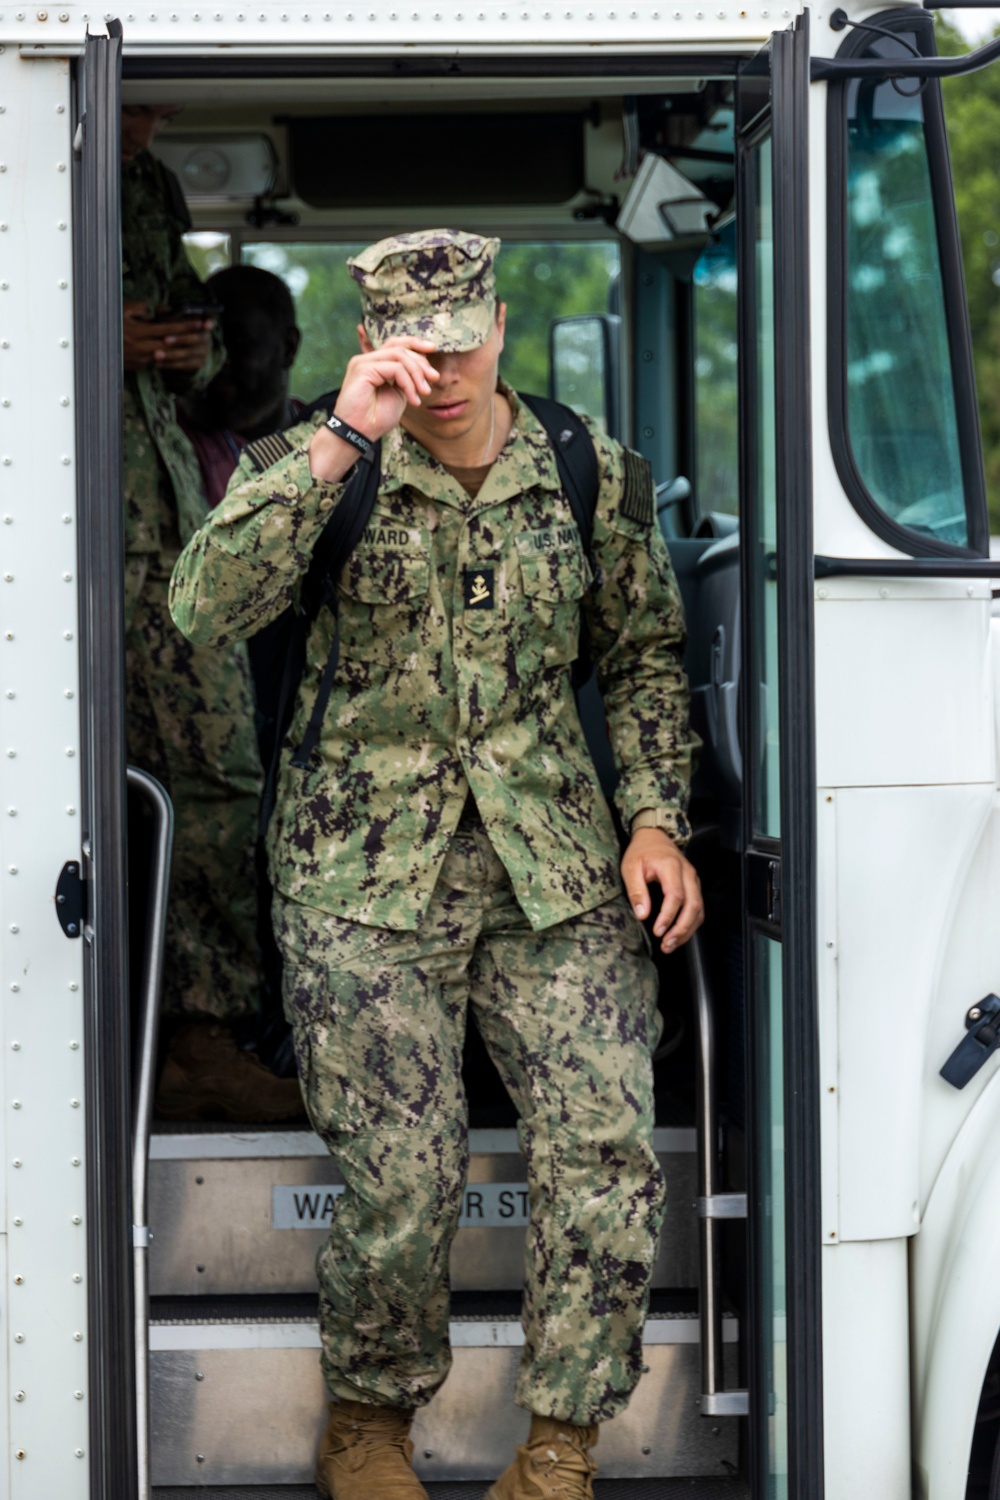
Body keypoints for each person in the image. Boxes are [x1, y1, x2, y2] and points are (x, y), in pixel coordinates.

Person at [169, 229, 702, 1500]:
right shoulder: (317, 460)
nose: (445, 375)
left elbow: (639, 656)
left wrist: (656, 818)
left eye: (465, 344)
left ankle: (561, 1446)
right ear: (371, 347)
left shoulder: (587, 470)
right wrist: (343, 440)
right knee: (405, 1165)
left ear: (503, 326)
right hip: (361, 871)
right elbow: (200, 608)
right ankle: (365, 1422)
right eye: (419, 352)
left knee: (605, 1140)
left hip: (552, 864)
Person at [120, 104, 303, 1122]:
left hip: (158, 518)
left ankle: (202, 1034)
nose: (146, 119)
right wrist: (104, 338)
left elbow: (184, 346)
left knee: (221, 773)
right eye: (132, 106)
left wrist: (174, 347)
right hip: (68, 517)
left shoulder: (147, 185)